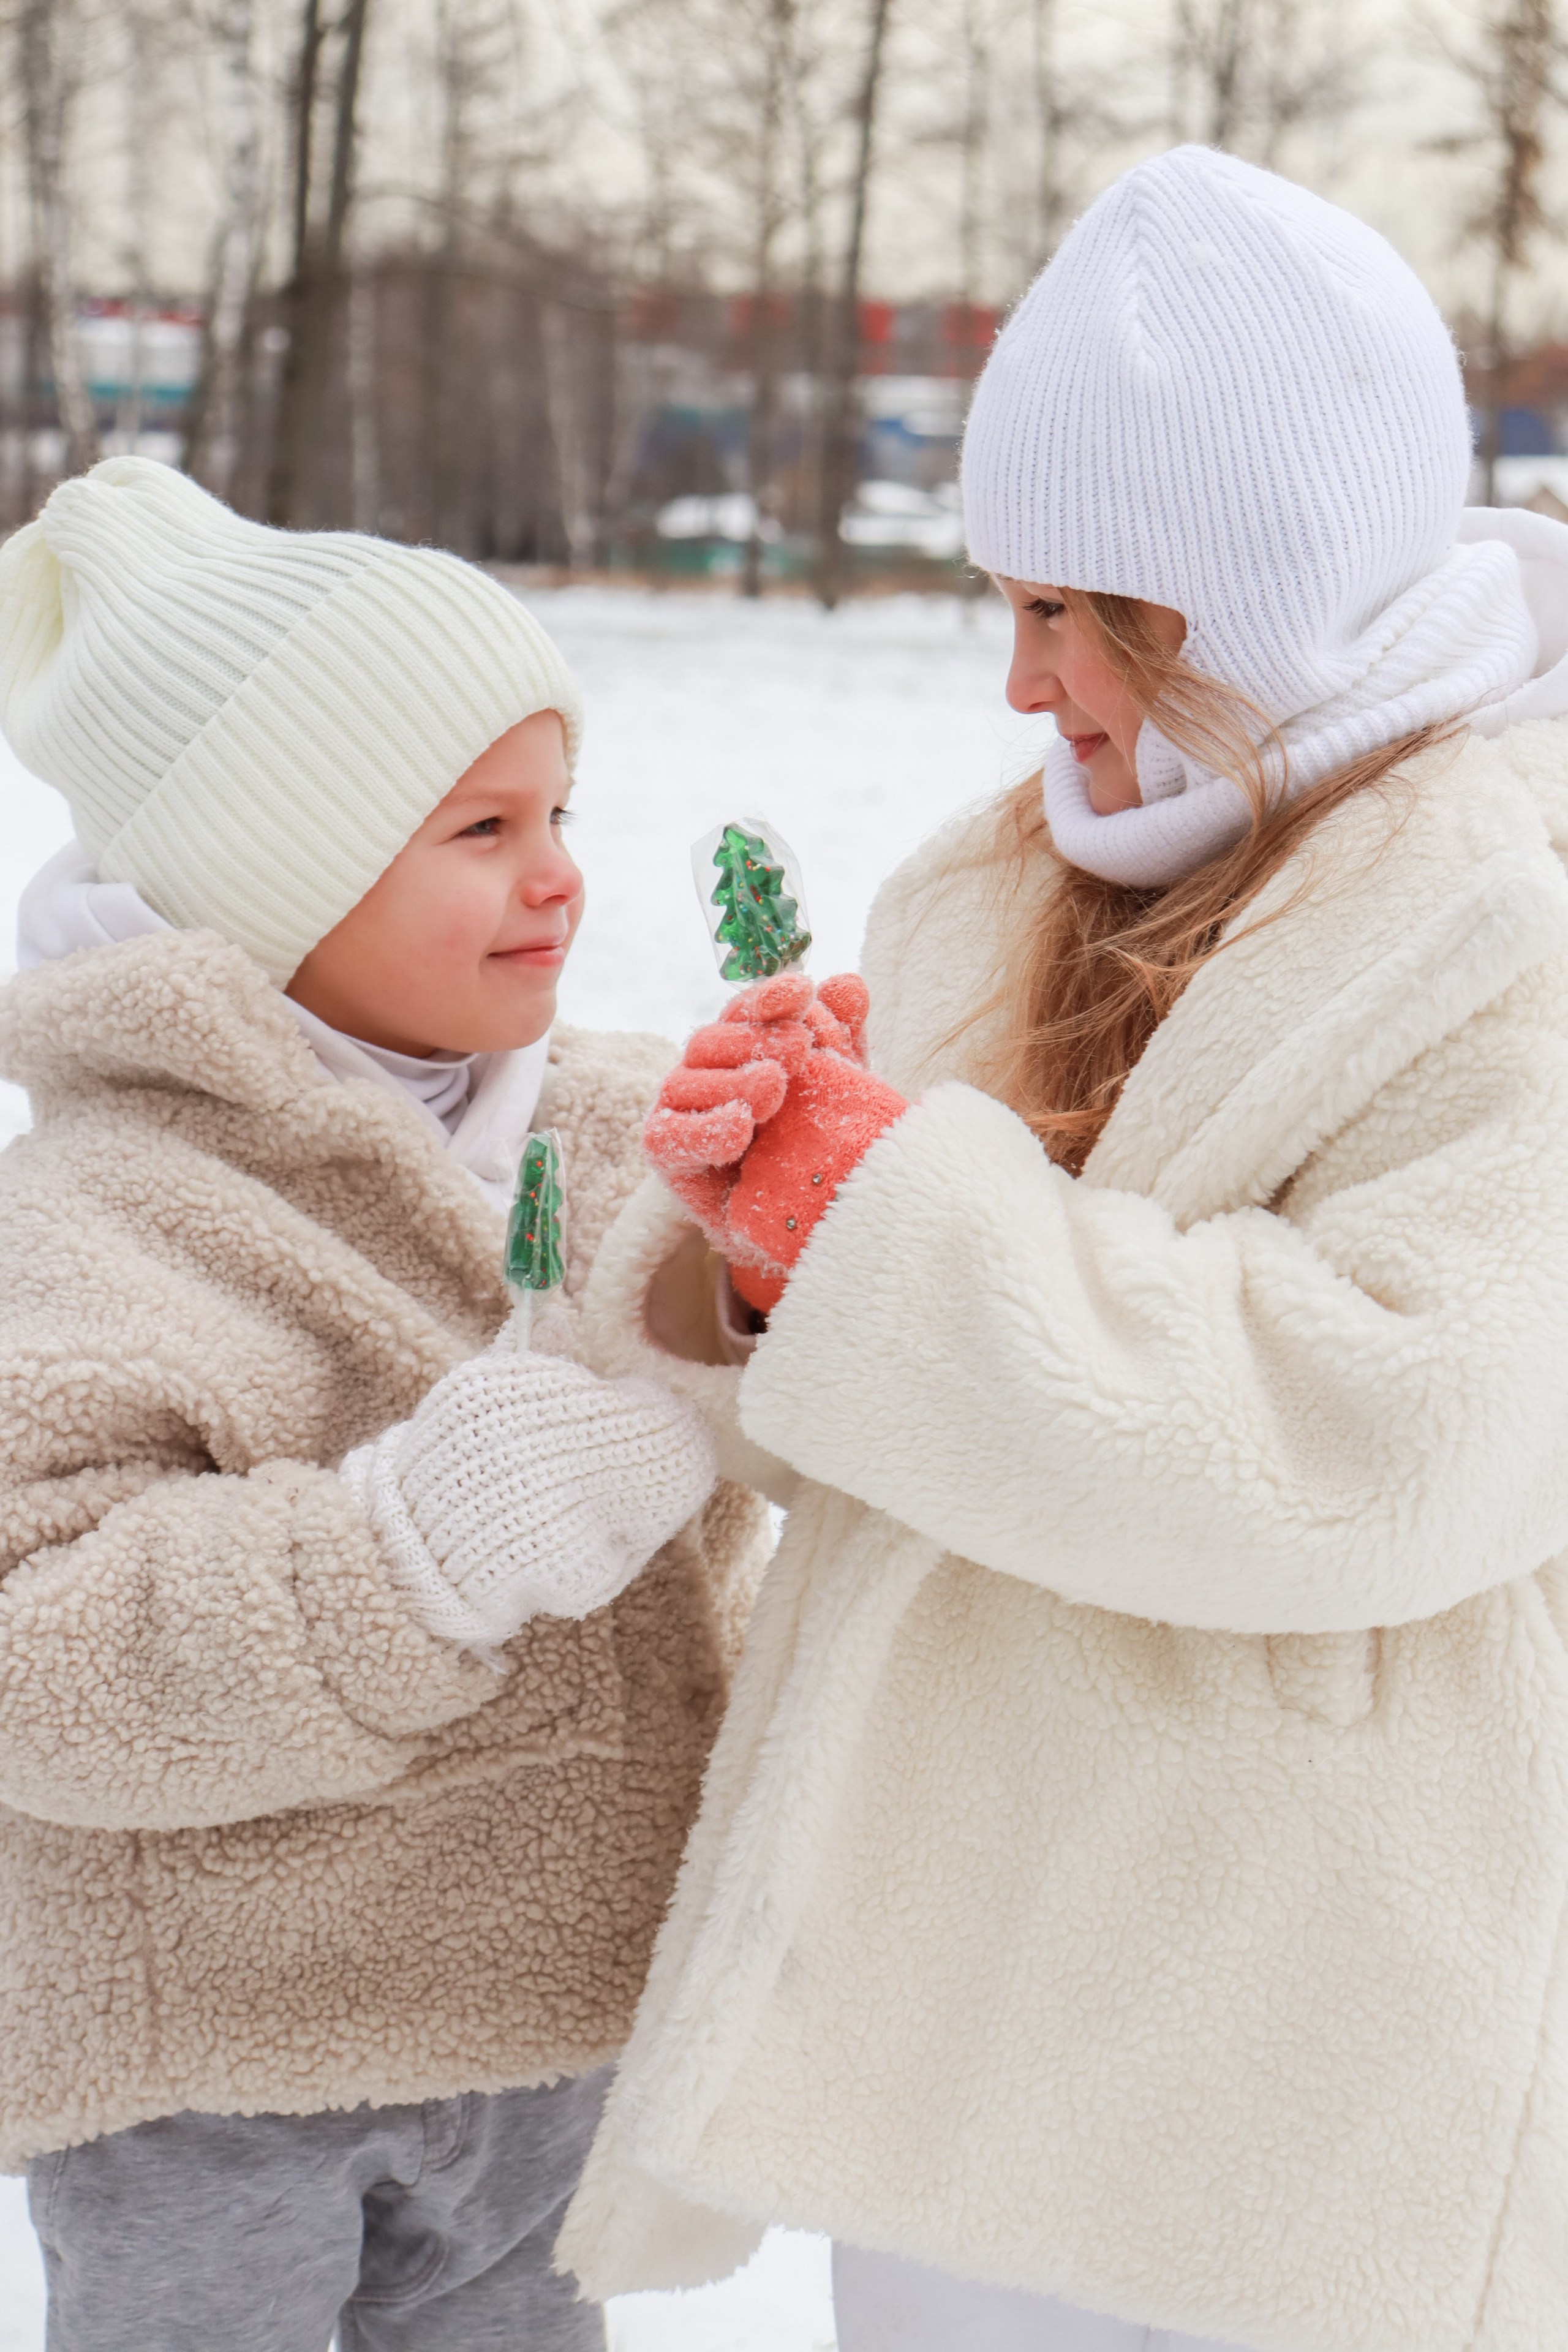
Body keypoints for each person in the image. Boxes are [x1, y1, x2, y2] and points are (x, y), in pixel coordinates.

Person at [552, 147, 1568, 2351]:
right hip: (954, 2001)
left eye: (1076, 612)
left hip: (1266, 2053)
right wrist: (764, 1257)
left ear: (1259, 593)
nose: (1023, 685)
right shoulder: (1009, 878)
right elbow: (912, 1410)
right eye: (1002, 602)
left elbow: (1392, 1430)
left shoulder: (1510, 915)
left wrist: (889, 1224)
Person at [0, 456, 771, 2352]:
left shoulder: (620, 1138)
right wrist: (411, 1551)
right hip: (221, 2061)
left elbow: (725, 1500)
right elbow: (41, 1658)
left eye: (563, 808)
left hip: (550, 2021)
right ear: (284, 870)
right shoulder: (102, 1219)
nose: (564, 870)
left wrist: (773, 1283)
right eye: (483, 826)